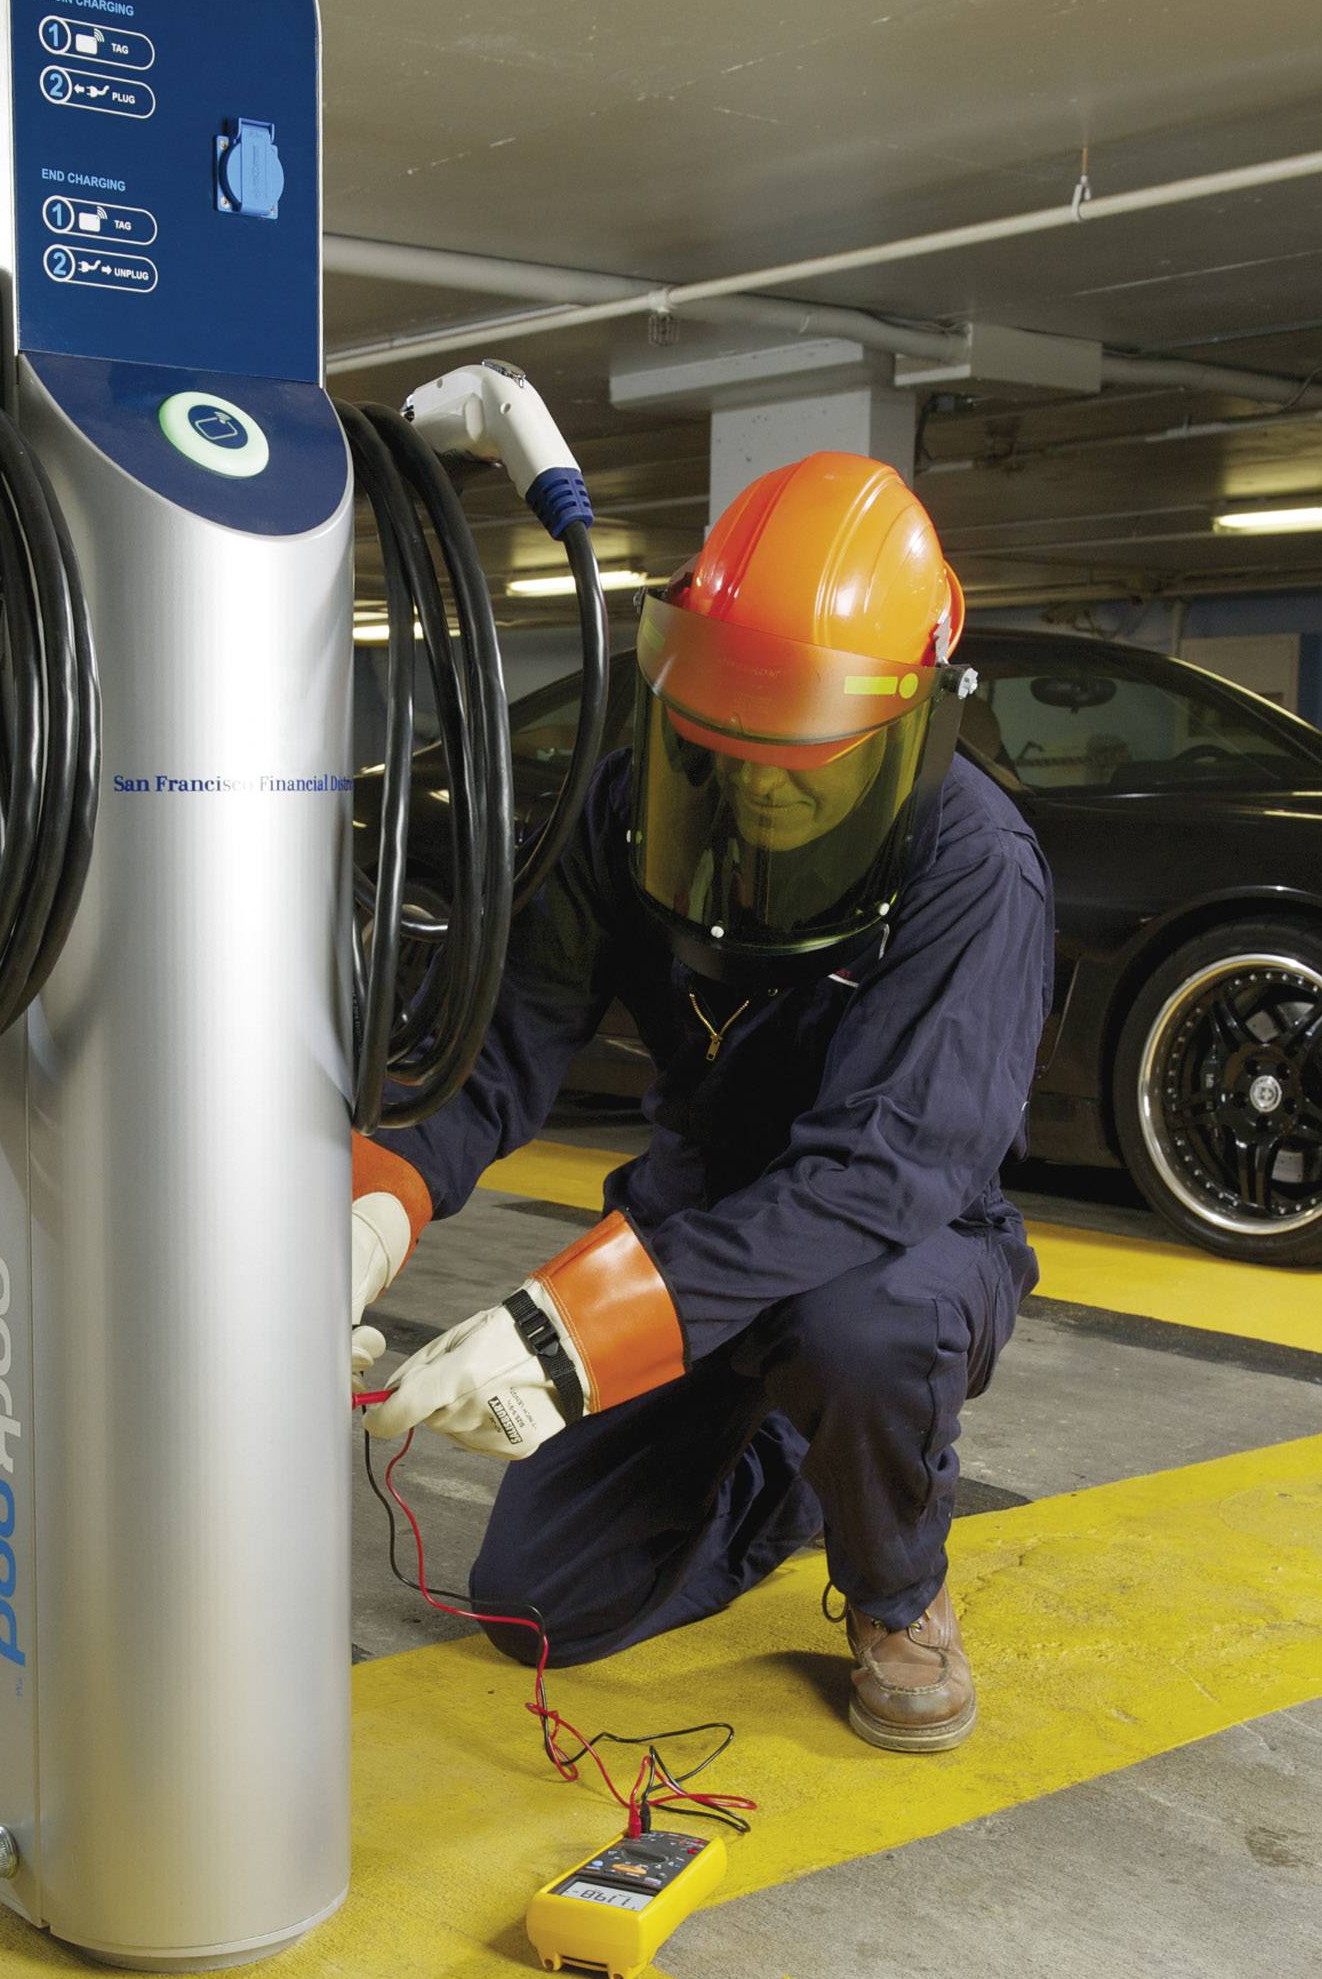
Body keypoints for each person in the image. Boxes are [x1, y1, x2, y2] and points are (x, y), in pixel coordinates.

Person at [352, 451, 1052, 1752]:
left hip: (891, 1246)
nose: (759, 783)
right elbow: (502, 1051)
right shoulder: (638, 805)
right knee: (535, 1611)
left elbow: (880, 1176)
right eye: (731, 740)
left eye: (803, 757)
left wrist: (580, 1324)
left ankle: (899, 1588)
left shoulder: (974, 866)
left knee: (862, 1331)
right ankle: (792, 1470)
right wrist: (368, 1210)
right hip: (691, 1226)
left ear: (903, 723)